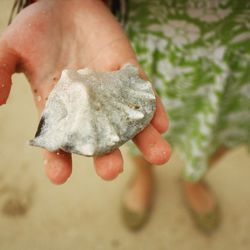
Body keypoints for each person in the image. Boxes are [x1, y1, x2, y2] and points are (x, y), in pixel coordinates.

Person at [2, 0, 250, 233]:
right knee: (143, 140)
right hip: (145, 27)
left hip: (240, 44)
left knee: (219, 128)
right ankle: (144, 175)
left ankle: (194, 178)